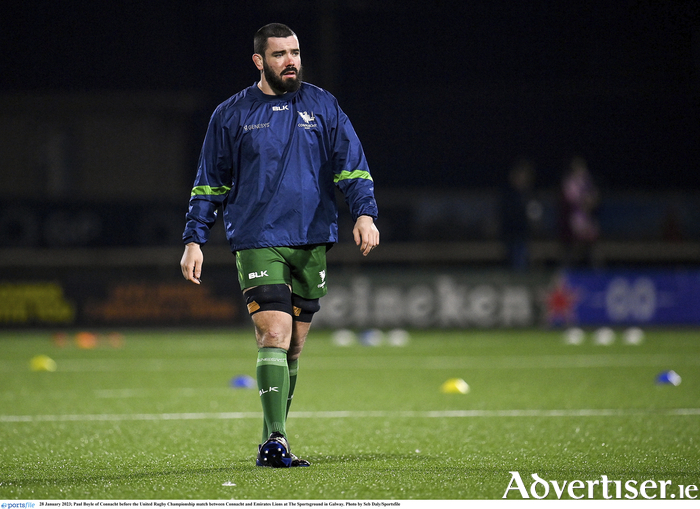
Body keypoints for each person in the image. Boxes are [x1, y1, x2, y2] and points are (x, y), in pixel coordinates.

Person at [180, 23, 379, 468]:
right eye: (279, 54)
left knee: (293, 347)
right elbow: (209, 183)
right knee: (273, 333)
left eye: (295, 52)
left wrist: (364, 212)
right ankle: (274, 440)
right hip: (257, 240)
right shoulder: (230, 114)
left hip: (311, 240)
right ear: (259, 61)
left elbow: (353, 165)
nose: (291, 61)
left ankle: (276, 437)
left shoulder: (323, 105)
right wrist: (194, 239)